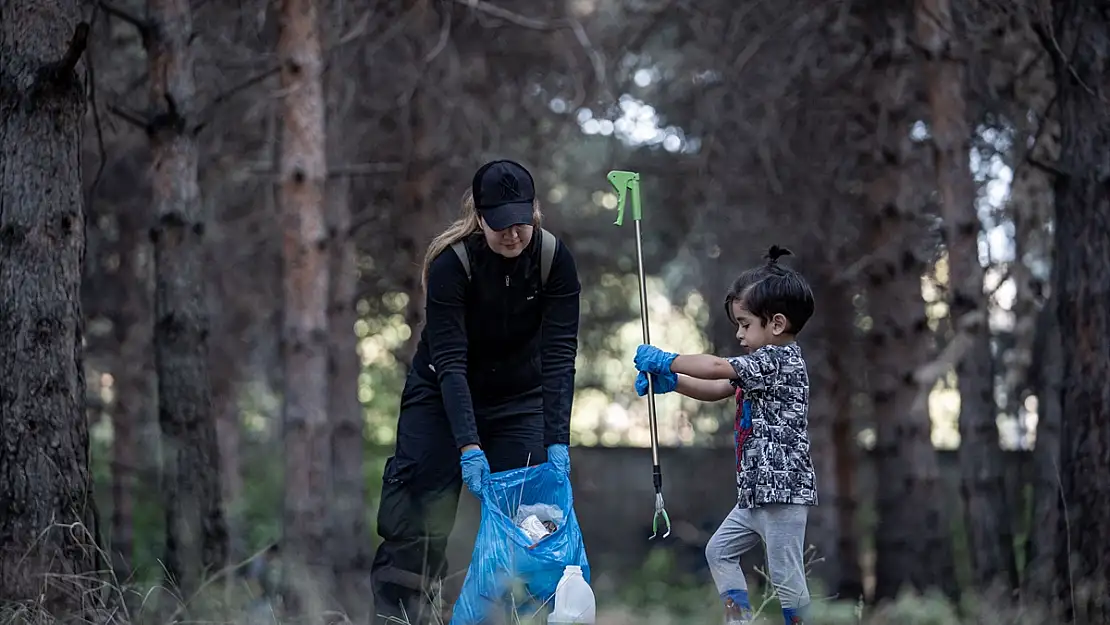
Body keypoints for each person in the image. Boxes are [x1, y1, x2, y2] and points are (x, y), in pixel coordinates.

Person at [370, 159, 581, 624]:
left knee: (532, 526)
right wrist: (468, 444)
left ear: (534, 212)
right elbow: (450, 362)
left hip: (518, 399)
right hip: (441, 397)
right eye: (500, 224)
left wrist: (556, 439)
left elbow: (561, 355)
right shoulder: (452, 265)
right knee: (416, 523)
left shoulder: (553, 260)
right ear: (479, 217)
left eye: (520, 222)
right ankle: (401, 618)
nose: (512, 235)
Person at [633, 246, 816, 625]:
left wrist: (668, 359)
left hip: (782, 495)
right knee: (719, 551)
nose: (739, 333)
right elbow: (718, 389)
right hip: (754, 495)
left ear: (777, 325)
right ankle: (738, 621)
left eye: (745, 324)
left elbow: (717, 368)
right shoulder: (758, 369)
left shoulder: (779, 360)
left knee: (786, 577)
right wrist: (672, 382)